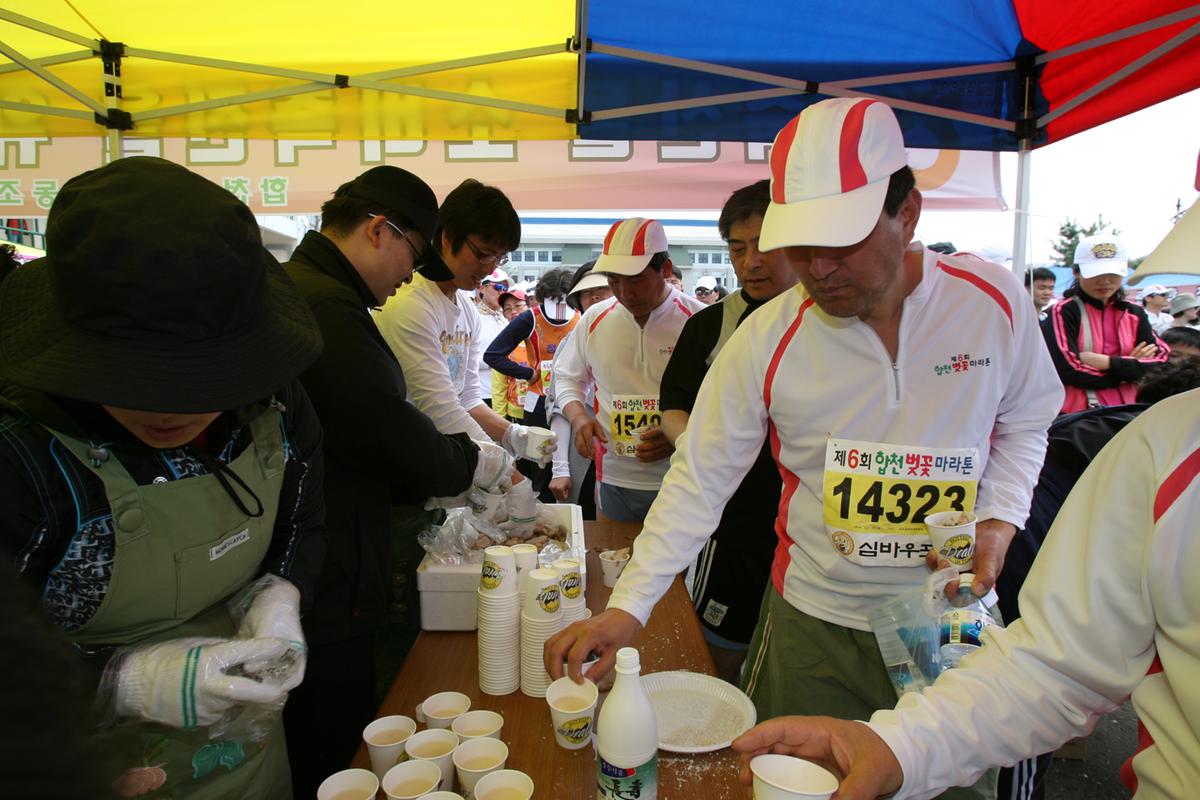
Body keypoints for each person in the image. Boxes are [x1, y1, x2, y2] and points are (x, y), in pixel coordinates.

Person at [547, 97, 1064, 800]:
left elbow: (1029, 419)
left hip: (946, 614)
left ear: (907, 215)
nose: (816, 267)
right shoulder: (766, 338)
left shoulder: (991, 303)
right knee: (787, 781)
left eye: (841, 239)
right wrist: (627, 608)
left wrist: (1001, 517)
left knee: (951, 785)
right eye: (798, 242)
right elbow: (700, 479)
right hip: (813, 619)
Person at [0, 156, 327, 798]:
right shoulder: (23, 452)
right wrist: (118, 682)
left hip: (252, 751)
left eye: (204, 378)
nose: (170, 409)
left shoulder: (278, 405)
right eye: (134, 376)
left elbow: (304, 519)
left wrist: (281, 595)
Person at [729, 386, 1200, 800]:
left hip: (956, 613)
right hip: (817, 608)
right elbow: (1061, 667)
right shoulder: (1170, 441)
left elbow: (1027, 424)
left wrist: (1001, 518)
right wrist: (895, 748)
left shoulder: (1002, 311)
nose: (826, 277)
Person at [281, 165, 512, 797]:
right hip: (331, 550)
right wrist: (477, 464)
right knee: (339, 725)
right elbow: (390, 424)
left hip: (334, 537)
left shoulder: (320, 292)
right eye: (412, 251)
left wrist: (499, 447)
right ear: (380, 231)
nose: (411, 271)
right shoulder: (330, 306)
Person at [658, 179, 797, 682]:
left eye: (765, 245)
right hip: (733, 523)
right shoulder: (712, 325)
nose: (751, 261)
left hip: (808, 533)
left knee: (790, 661)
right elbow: (670, 405)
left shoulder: (829, 323)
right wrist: (704, 445)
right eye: (738, 249)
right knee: (719, 650)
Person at [375, 179, 553, 466]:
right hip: (403, 464)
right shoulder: (411, 303)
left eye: (499, 257)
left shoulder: (467, 311)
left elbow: (468, 398)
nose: (490, 267)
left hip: (442, 460)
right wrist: (503, 468)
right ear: (447, 236)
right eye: (483, 253)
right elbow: (440, 409)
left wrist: (512, 433)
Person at [554, 218, 705, 522]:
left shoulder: (699, 321)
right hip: (613, 476)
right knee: (611, 558)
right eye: (614, 280)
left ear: (665, 269)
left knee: (674, 567)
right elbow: (567, 377)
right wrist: (579, 417)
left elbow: (723, 401)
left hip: (681, 478)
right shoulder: (595, 318)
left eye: (635, 279)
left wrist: (679, 432)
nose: (625, 293)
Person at [1042, 235, 1169, 414]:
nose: (1105, 281)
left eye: (1113, 273)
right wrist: (1130, 369)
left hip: (1130, 410)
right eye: (1096, 274)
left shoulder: (1133, 312)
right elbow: (1067, 370)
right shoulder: (1063, 312)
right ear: (1076, 273)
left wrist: (1108, 363)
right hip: (1077, 415)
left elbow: (1163, 360)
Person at [484, 268, 581, 500]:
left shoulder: (581, 316)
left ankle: (573, 517)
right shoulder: (531, 318)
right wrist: (527, 373)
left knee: (573, 466)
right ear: (542, 298)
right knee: (541, 469)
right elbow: (493, 354)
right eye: (553, 300)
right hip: (537, 404)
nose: (558, 308)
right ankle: (542, 517)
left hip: (574, 401)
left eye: (563, 300)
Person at [544, 262, 613, 514]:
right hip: (584, 457)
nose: (594, 296)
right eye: (586, 291)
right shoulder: (570, 343)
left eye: (602, 289)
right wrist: (560, 468)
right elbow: (559, 409)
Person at [474, 268, 511, 408]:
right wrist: (495, 361)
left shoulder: (504, 318)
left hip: (506, 394)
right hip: (481, 394)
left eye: (505, 288)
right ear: (481, 288)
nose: (502, 292)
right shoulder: (473, 316)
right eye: (498, 287)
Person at [492, 288, 529, 423]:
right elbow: (499, 387)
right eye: (508, 309)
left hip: (541, 411)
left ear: (529, 306)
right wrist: (500, 420)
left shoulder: (543, 339)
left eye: (518, 306)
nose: (513, 311)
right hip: (515, 414)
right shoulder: (502, 346)